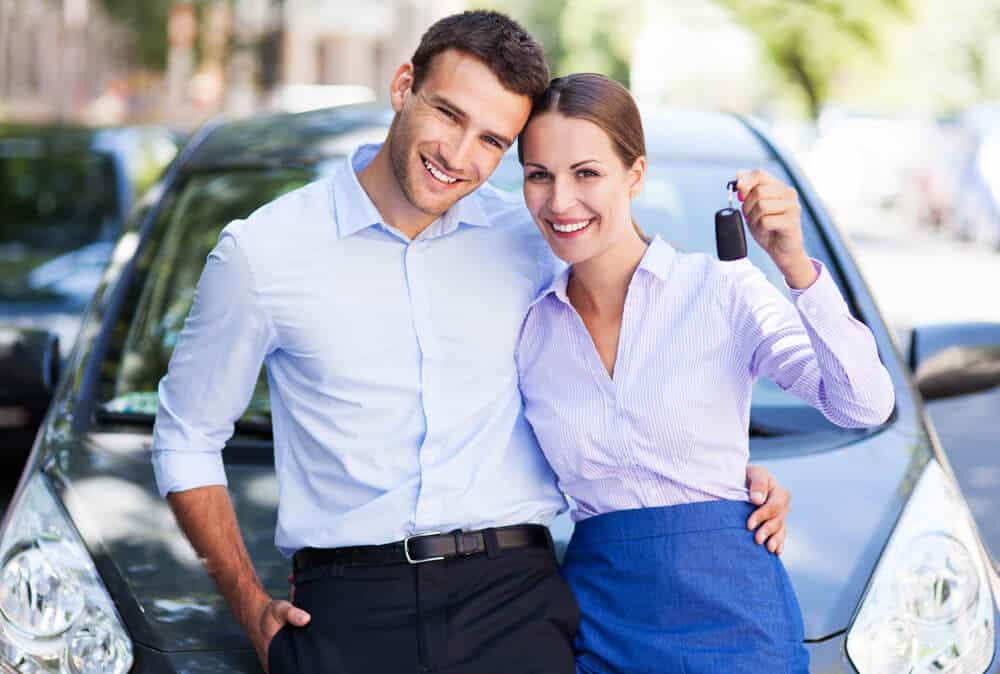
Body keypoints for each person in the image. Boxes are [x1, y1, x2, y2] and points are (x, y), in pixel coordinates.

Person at [151, 12, 793, 674]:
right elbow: (185, 436)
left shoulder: (535, 240)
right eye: (449, 115)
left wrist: (717, 479)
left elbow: (657, 344)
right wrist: (247, 602)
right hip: (346, 612)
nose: (459, 156)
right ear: (404, 86)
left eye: (492, 139)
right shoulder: (264, 253)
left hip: (515, 604)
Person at [515, 73, 896, 674]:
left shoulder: (723, 290)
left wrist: (795, 266)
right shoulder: (527, 325)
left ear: (635, 174)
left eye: (586, 173)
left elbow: (862, 406)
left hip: (736, 617)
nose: (560, 201)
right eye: (540, 175)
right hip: (602, 621)